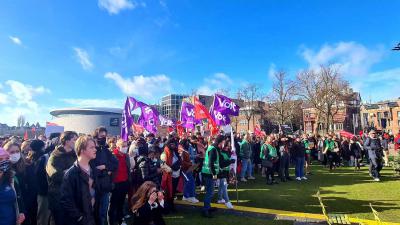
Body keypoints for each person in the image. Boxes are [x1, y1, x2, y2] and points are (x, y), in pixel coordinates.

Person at [60, 135, 98, 225]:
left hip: (92, 217)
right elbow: (66, 201)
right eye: (91, 147)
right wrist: (80, 217)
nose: (95, 150)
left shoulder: (93, 169)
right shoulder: (71, 174)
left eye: (95, 147)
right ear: (82, 150)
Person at [46, 131, 78, 225]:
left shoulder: (74, 155)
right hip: (58, 197)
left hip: (72, 197)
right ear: (66, 141)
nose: (77, 142)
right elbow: (55, 175)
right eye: (74, 140)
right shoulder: (55, 156)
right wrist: (70, 172)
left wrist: (66, 172)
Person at [91, 127, 119, 225]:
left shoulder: (105, 150)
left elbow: (115, 164)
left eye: (105, 136)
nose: (104, 138)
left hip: (105, 186)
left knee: (103, 213)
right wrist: (104, 171)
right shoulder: (91, 150)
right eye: (102, 136)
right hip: (93, 187)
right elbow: (89, 169)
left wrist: (105, 167)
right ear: (96, 137)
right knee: (93, 213)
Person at [201, 135, 225, 218]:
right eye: (223, 141)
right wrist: (214, 174)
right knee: (210, 192)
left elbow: (218, 162)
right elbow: (210, 163)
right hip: (209, 174)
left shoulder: (215, 148)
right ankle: (205, 210)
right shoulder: (213, 149)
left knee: (210, 192)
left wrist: (230, 161)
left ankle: (208, 207)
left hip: (209, 173)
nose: (224, 143)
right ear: (220, 142)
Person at [0, 147, 26, 225]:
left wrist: (21, 212)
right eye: (0, 159)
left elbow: (18, 197)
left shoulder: (11, 178)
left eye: (7, 158)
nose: (4, 161)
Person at [108, 139, 131, 225]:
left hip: (124, 182)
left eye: (126, 146)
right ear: (118, 147)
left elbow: (128, 168)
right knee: (113, 204)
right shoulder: (112, 155)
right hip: (115, 184)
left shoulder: (126, 156)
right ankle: (111, 221)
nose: (125, 148)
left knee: (121, 203)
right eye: (123, 146)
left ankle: (120, 219)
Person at [160, 137, 182, 213]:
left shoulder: (175, 151)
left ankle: (171, 205)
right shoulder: (165, 152)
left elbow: (179, 160)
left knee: (173, 192)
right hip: (169, 175)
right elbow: (163, 164)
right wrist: (170, 169)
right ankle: (167, 207)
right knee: (168, 192)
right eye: (171, 144)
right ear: (168, 144)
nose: (173, 145)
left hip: (177, 174)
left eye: (174, 144)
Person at [217, 137, 235, 209]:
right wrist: (230, 161)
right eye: (227, 145)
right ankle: (227, 202)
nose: (228, 147)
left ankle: (220, 198)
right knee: (224, 186)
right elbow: (222, 163)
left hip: (226, 171)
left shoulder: (228, 152)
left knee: (222, 186)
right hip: (222, 171)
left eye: (229, 145)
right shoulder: (220, 153)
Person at [180, 139, 199, 204]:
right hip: (185, 169)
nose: (188, 144)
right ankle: (190, 196)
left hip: (187, 168)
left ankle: (186, 196)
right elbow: (182, 162)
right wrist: (190, 164)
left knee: (188, 182)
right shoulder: (182, 151)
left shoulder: (184, 150)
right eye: (187, 143)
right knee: (190, 182)